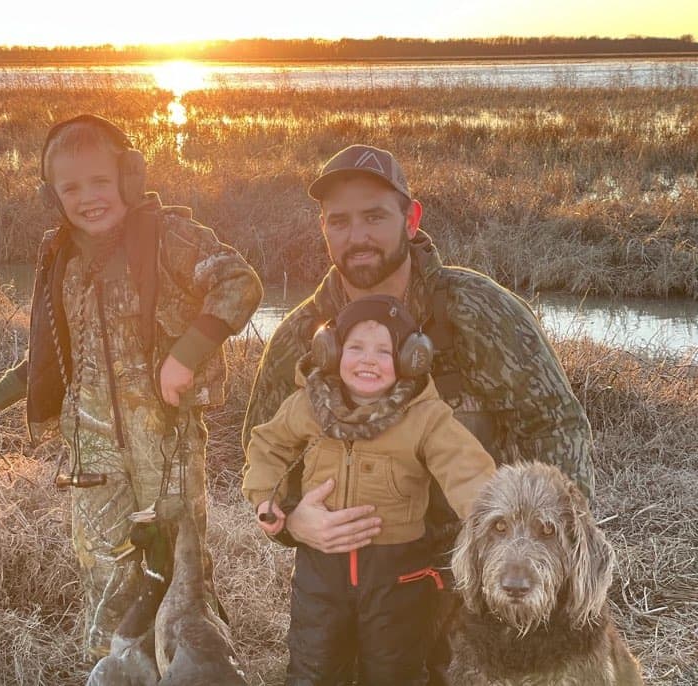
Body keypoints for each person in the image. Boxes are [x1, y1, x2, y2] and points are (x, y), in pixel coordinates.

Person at [241, 143, 594, 680]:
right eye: (339, 221)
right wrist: (292, 522)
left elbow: (555, 424)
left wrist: (536, 553)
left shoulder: (479, 310)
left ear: (411, 218)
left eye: (375, 217)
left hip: (477, 576)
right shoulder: (301, 335)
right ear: (323, 229)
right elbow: (263, 446)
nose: (357, 236)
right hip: (358, 581)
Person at [0, 114, 263, 663]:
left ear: (127, 176)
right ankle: (117, 672)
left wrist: (185, 356)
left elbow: (239, 283)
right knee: (105, 579)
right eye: (70, 188)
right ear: (54, 195)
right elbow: (58, 356)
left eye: (100, 181)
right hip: (91, 457)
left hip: (166, 450)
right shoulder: (63, 260)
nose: (88, 198)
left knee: (182, 580)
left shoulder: (170, 235)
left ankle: (192, 673)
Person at [243, 294, 496, 685]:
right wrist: (267, 499)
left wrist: (493, 523)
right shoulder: (305, 406)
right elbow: (267, 446)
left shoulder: (426, 417)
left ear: (412, 358)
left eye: (385, 350)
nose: (368, 360)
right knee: (313, 669)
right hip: (319, 577)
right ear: (330, 350)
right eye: (355, 347)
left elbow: (466, 470)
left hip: (399, 580)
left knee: (396, 673)